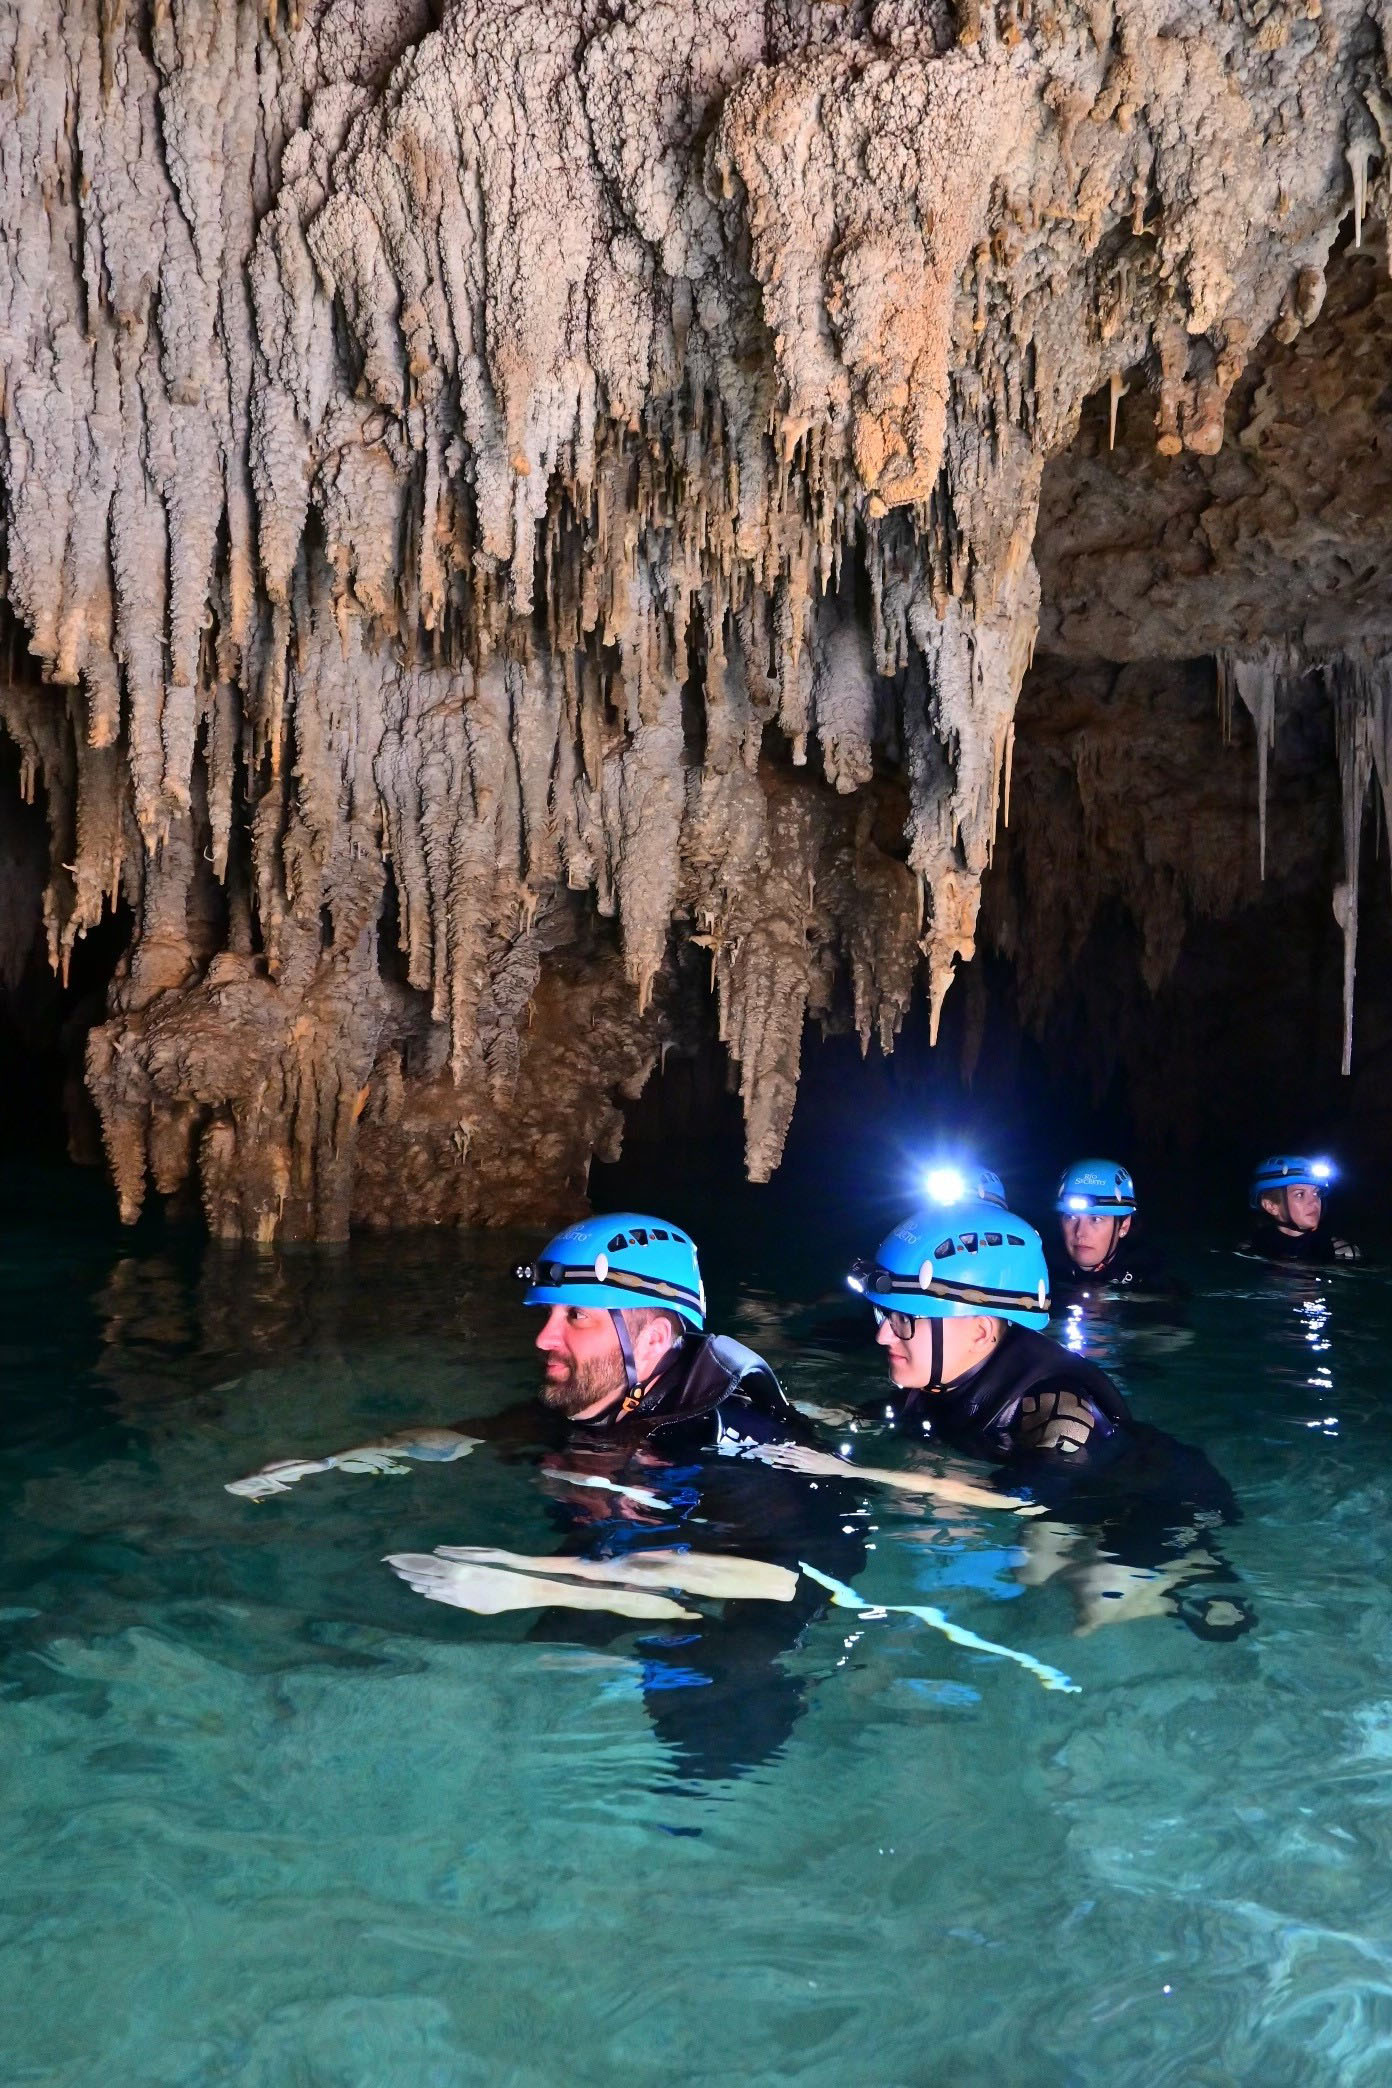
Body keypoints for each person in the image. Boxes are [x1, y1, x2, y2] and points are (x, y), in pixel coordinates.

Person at [228, 1211, 1031, 1777]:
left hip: (741, 1588)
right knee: (538, 1668)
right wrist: (317, 1466)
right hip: (632, 1553)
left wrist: (533, 1580)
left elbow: (800, 1574)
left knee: (712, 1721)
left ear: (649, 1338)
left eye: (575, 1318)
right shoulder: (598, 1400)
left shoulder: (724, 1433)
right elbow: (468, 1435)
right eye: (550, 1315)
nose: (544, 1336)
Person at [760, 1197, 1251, 1637]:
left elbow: (1013, 1500)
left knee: (1092, 1605)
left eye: (904, 1320)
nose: (884, 1337)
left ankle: (1182, 1583)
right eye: (883, 1316)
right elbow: (869, 1417)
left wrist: (854, 1472)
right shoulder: (944, 1371)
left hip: (1160, 1499)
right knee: (1026, 1576)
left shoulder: (1059, 1405)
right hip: (1062, 1489)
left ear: (978, 1331)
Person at [1241, 1155, 1359, 1265]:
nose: (1314, 1201)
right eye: (1300, 1194)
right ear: (1271, 1206)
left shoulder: (1343, 1253)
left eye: (1316, 1193)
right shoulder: (1248, 1251)